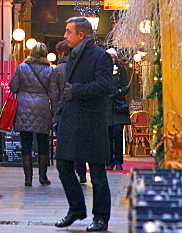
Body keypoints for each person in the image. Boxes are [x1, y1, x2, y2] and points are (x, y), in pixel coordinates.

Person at [54, 17, 113, 233]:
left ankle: (101, 218)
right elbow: (65, 89)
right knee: (62, 164)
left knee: (97, 172)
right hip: (70, 120)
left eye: (68, 32)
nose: (65, 35)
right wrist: (58, 116)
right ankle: (77, 209)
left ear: (81, 35)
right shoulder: (71, 56)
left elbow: (104, 86)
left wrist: (76, 91)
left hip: (92, 122)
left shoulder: (101, 56)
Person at [10, 41, 59, 186]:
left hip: (24, 106)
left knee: (26, 142)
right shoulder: (50, 70)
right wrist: (54, 112)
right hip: (42, 106)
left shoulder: (22, 67)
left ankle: (28, 178)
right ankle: (42, 176)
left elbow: (13, 86)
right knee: (43, 142)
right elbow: (54, 93)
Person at [53, 41, 87, 184]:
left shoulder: (58, 69)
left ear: (61, 53)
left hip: (63, 108)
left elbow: (54, 92)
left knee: (65, 142)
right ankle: (82, 171)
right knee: (79, 140)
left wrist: (55, 113)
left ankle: (69, 171)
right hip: (78, 107)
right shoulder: (80, 65)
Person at [105, 48, 130, 171]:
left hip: (118, 106)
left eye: (113, 57)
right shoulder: (103, 70)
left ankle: (119, 161)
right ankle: (109, 161)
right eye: (109, 57)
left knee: (118, 134)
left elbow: (126, 86)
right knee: (108, 135)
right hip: (107, 107)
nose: (111, 59)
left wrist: (119, 92)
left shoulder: (121, 71)